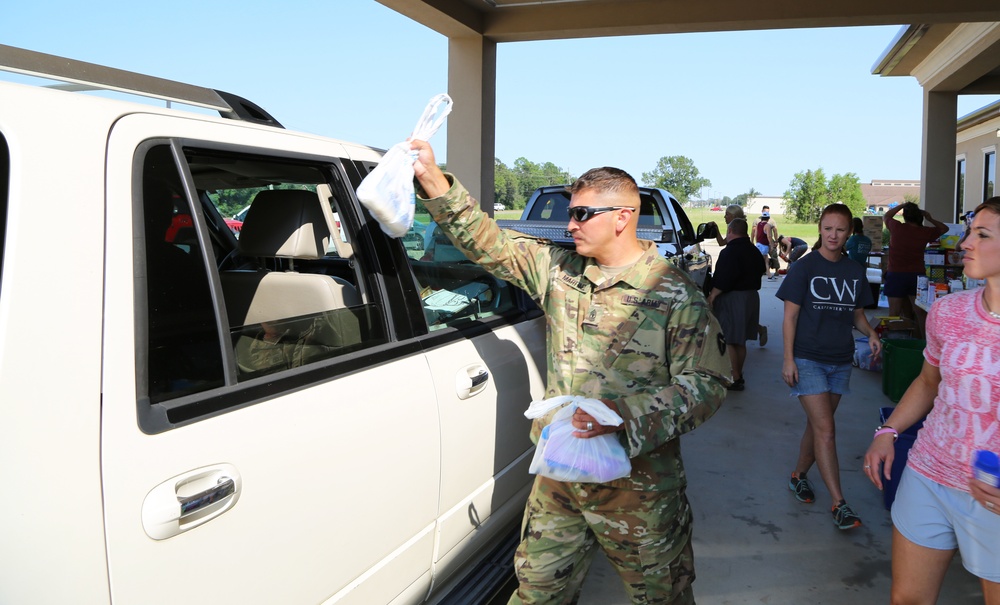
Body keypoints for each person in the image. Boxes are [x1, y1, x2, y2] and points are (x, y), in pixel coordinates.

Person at [409, 139, 732, 605]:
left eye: (582, 214)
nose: (570, 224)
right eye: (570, 212)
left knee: (661, 598)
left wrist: (623, 416)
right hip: (560, 479)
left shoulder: (673, 294)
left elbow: (706, 384)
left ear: (623, 217)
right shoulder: (559, 272)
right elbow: (489, 242)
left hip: (639, 492)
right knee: (537, 592)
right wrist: (435, 182)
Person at [863, 197, 1000, 604]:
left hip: (991, 497)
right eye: (970, 231)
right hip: (928, 474)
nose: (965, 243)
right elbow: (927, 382)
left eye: (982, 234)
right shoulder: (948, 311)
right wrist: (888, 431)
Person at [776, 203, 880, 530]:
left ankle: (798, 476)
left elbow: (857, 315)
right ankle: (840, 504)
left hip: (840, 360)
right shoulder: (804, 268)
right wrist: (788, 358)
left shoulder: (854, 270)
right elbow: (790, 317)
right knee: (827, 430)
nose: (834, 235)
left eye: (841, 229)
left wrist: (872, 334)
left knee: (817, 426)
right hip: (807, 358)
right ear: (820, 229)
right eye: (828, 228)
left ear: (850, 232)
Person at [707, 218, 765, 391]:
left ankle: (734, 377)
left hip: (734, 299)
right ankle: (738, 375)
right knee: (741, 341)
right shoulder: (754, 250)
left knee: (730, 340)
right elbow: (761, 269)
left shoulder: (730, 252)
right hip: (752, 298)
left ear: (730, 230)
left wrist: (712, 295)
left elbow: (724, 279)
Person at [883, 202, 948, 337]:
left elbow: (887, 216)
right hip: (917, 275)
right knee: (920, 312)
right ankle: (924, 343)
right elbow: (944, 228)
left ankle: (891, 343)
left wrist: (902, 205)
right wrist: (930, 218)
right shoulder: (924, 232)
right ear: (920, 217)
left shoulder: (897, 227)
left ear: (905, 216)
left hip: (896, 275)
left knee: (894, 313)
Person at [752, 208, 779, 280]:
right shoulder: (767, 225)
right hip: (764, 245)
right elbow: (769, 236)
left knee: (764, 260)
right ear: (768, 218)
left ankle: (768, 274)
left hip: (758, 244)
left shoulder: (758, 224)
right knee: (765, 260)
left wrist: (757, 242)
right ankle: (768, 275)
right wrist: (771, 245)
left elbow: (756, 234)